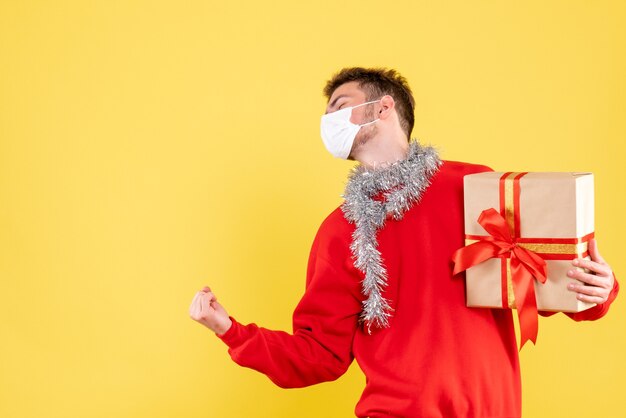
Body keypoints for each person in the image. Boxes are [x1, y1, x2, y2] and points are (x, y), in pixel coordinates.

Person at [188, 67, 619, 418]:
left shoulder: (475, 187)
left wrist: (600, 290)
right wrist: (230, 331)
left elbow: (540, 275)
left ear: (384, 107)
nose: (328, 121)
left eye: (340, 106)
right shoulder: (339, 232)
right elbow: (320, 353)